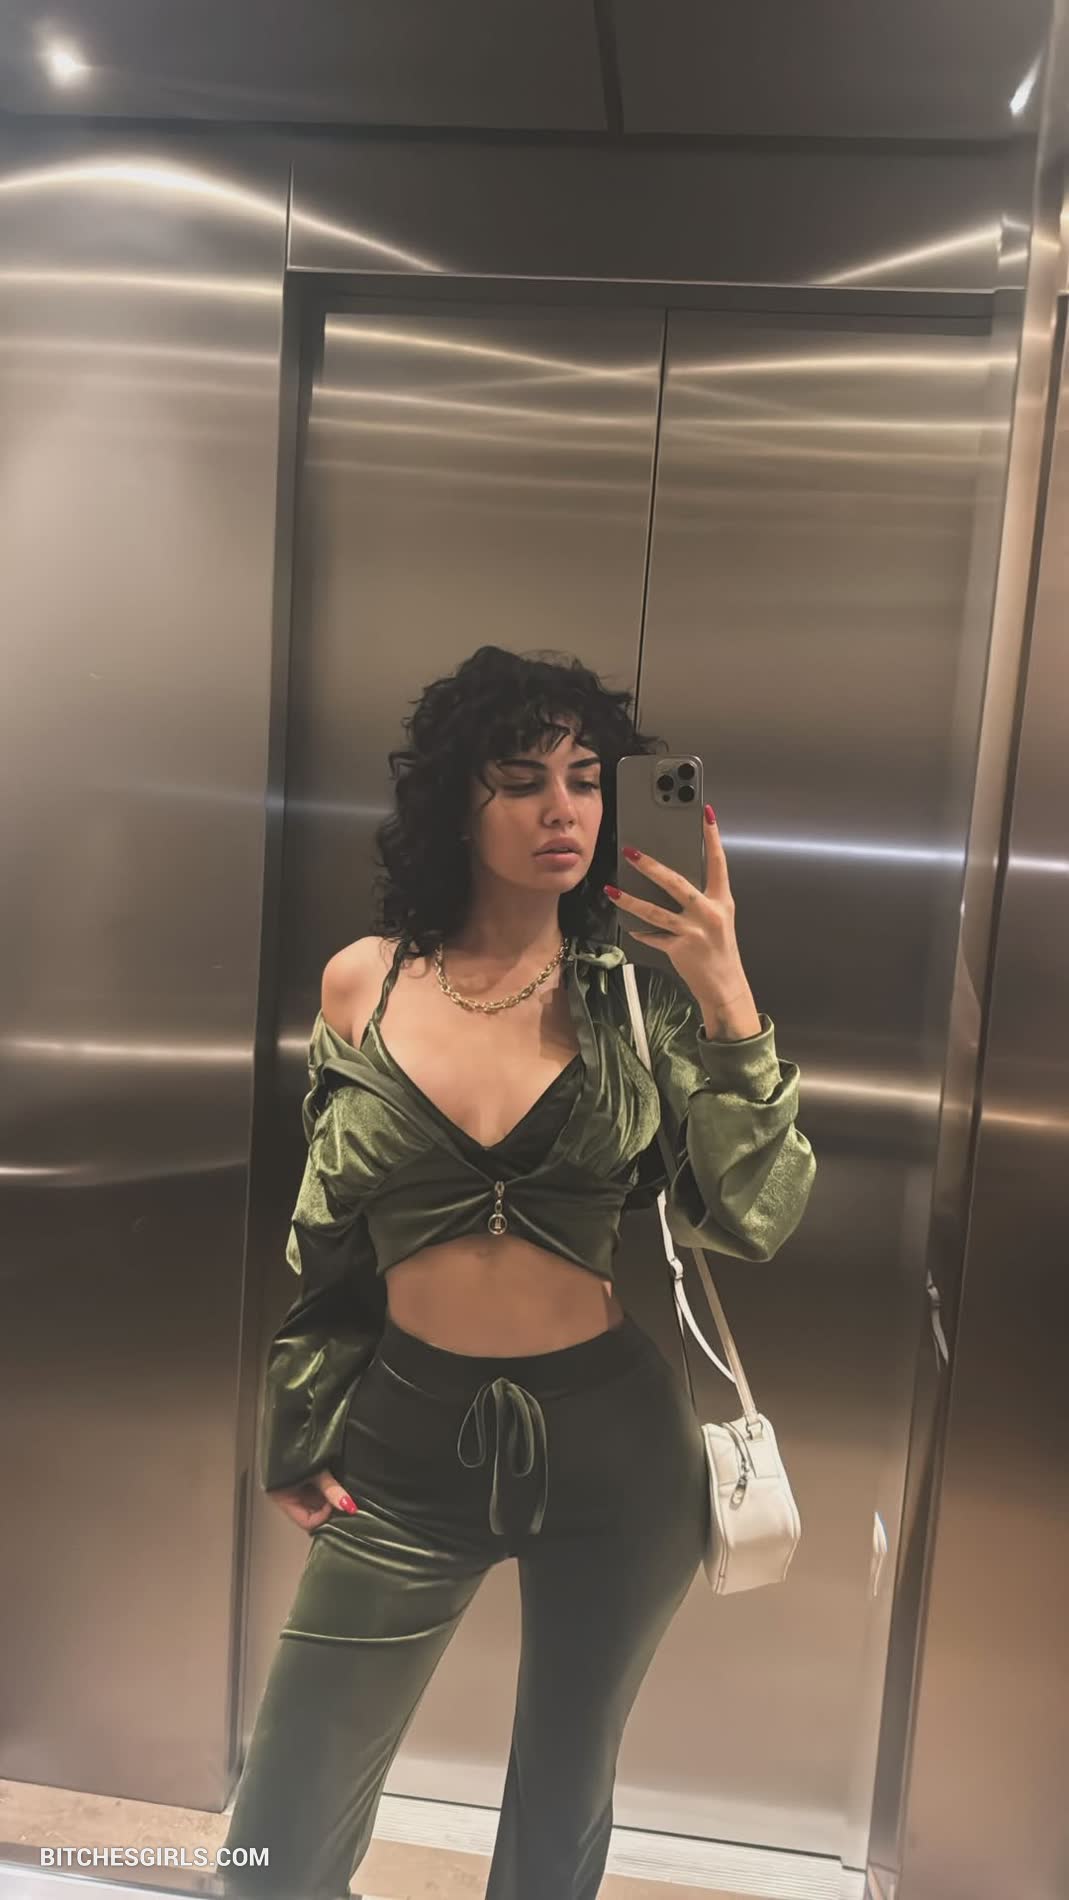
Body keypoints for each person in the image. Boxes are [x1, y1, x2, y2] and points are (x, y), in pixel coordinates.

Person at [221, 645, 816, 1900]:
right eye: (521, 777)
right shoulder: (364, 980)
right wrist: (297, 1418)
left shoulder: (639, 1000)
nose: (563, 809)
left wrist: (725, 995)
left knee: (561, 1801)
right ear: (457, 800)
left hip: (618, 1454)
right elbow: (327, 1235)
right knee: (276, 1839)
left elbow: (754, 1217)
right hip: (401, 1446)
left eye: (586, 778)